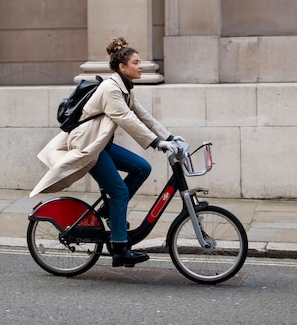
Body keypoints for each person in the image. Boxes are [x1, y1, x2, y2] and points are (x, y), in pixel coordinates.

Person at [30, 37, 183, 268]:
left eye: (140, 62)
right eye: (136, 62)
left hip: (102, 144)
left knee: (142, 168)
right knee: (120, 192)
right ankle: (120, 247)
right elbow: (126, 118)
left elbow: (143, 116)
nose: (140, 66)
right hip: (90, 146)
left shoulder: (125, 89)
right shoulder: (110, 89)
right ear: (122, 67)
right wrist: (155, 143)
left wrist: (169, 137)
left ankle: (110, 210)